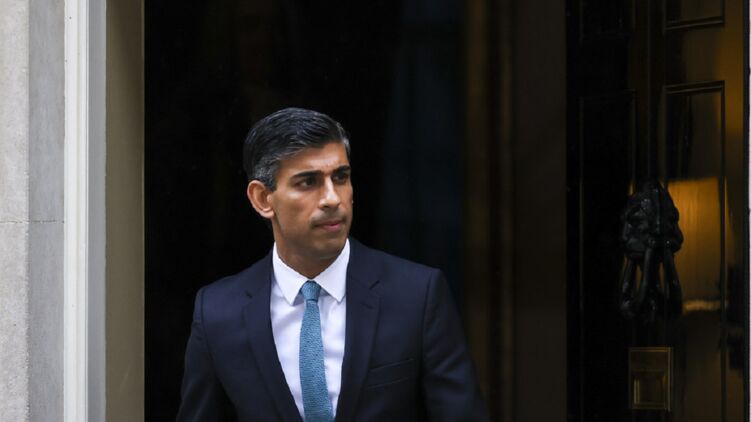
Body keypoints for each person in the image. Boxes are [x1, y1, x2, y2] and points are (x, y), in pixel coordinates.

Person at [177, 108, 488, 421]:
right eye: (308, 182)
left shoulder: (416, 295)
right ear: (262, 199)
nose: (332, 198)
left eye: (340, 177)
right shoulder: (218, 313)